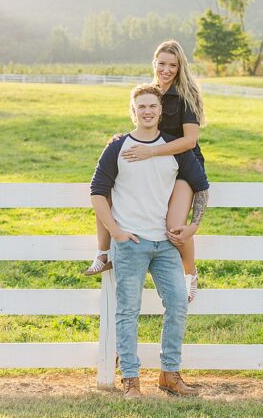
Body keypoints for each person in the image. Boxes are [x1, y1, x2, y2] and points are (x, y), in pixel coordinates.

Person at [89, 83, 210, 398]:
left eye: (152, 106)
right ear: (133, 110)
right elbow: (97, 193)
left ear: (160, 111)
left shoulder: (174, 150)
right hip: (130, 243)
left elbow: (202, 186)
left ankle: (169, 374)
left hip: (165, 245)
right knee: (127, 311)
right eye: (140, 106)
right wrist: (115, 232)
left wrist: (194, 225)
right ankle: (131, 380)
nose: (147, 111)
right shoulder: (118, 147)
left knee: (178, 305)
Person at [85, 40, 207, 303]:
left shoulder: (187, 96)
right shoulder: (152, 93)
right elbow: (144, 123)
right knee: (107, 189)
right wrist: (123, 140)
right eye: (162, 63)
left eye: (172, 65)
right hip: (154, 162)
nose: (166, 69)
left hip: (182, 165)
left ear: (179, 67)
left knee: (175, 226)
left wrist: (150, 151)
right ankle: (103, 253)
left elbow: (189, 141)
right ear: (154, 63)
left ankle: (190, 274)